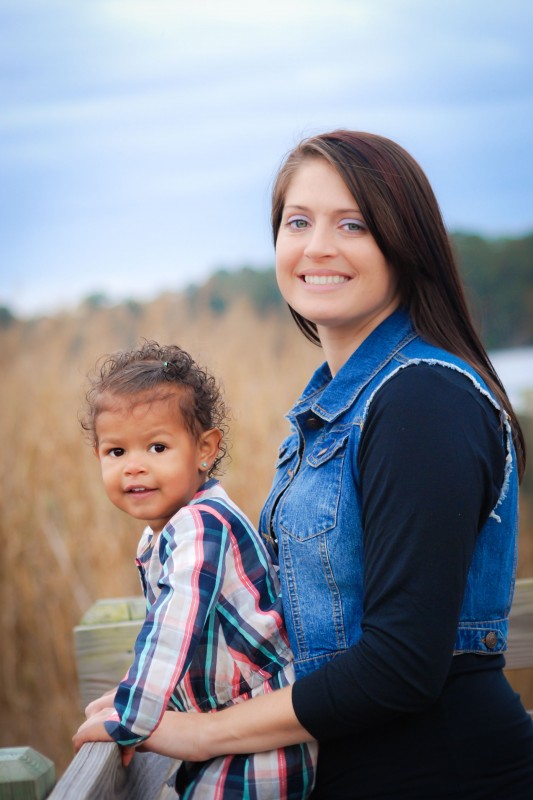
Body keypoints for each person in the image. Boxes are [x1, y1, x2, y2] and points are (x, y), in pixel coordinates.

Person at [103, 130, 533, 799]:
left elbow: (401, 665)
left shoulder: (422, 398)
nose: (317, 247)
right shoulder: (332, 409)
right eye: (296, 222)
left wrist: (200, 733)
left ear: (404, 242)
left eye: (353, 224)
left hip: (436, 774)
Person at [72, 341, 317, 799]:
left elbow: (171, 630)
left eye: (158, 446)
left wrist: (131, 714)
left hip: (260, 739)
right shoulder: (169, 531)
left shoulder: (201, 527)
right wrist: (131, 691)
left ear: (205, 449)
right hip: (226, 728)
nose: (134, 467)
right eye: (116, 452)